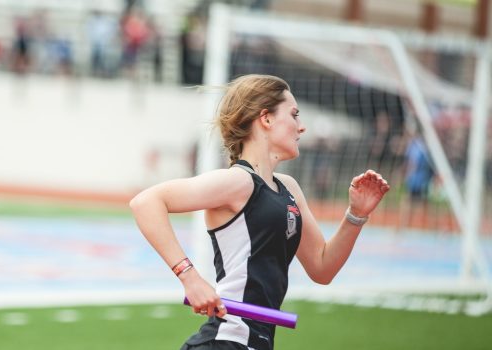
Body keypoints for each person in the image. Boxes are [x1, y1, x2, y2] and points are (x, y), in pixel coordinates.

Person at [129, 74, 390, 350]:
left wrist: (356, 215)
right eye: (294, 115)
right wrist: (190, 278)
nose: (301, 128)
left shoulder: (289, 188)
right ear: (265, 119)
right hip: (226, 341)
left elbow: (322, 268)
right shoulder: (238, 182)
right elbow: (146, 203)